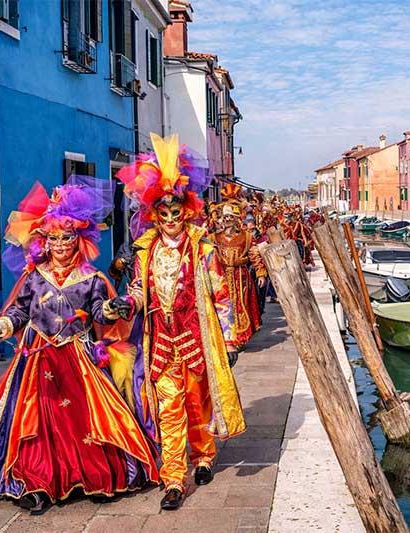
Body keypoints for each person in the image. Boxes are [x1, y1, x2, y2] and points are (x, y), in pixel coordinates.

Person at [0, 178, 158, 514]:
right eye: (54, 238)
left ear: (79, 239)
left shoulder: (91, 278)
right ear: (44, 241)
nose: (60, 245)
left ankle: (94, 474)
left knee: (89, 417)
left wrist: (112, 308)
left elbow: (100, 313)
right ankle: (33, 480)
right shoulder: (34, 276)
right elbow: (19, 310)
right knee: (34, 421)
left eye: (67, 237)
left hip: (77, 356)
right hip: (37, 358)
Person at [112, 133, 246, 511]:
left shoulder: (202, 247)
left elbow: (220, 295)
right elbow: (139, 289)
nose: (170, 220)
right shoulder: (145, 249)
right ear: (155, 214)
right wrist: (128, 304)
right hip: (161, 343)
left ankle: (203, 455)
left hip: (196, 338)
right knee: (168, 407)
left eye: (176, 213)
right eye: (163, 214)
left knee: (197, 401)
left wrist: (230, 339)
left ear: (185, 211)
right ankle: (173, 478)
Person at [210, 184, 266, 350]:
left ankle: (239, 338)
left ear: (237, 220)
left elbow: (254, 254)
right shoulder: (213, 238)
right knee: (222, 306)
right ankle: (225, 337)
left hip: (240, 277)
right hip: (220, 277)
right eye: (225, 219)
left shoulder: (247, 237)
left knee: (240, 306)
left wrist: (261, 273)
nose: (228, 222)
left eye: (231, 218)